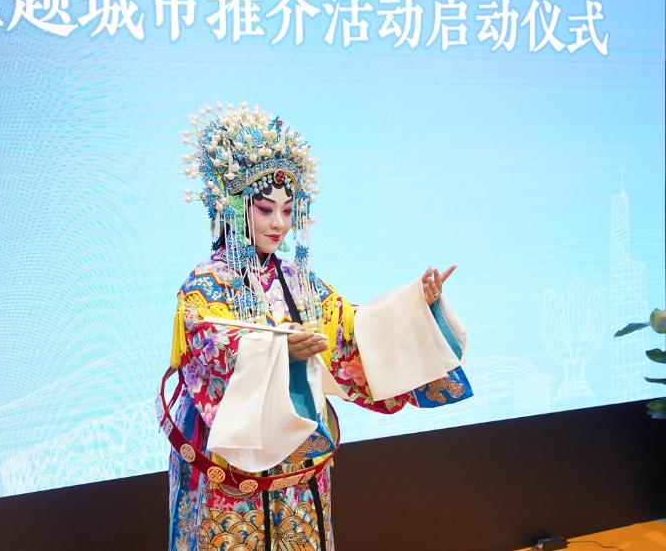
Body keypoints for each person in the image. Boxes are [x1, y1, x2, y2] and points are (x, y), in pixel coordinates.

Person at [162, 104, 473, 550]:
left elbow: (352, 331)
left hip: (299, 464)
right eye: (265, 209)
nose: (279, 223)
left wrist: (416, 308)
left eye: (288, 210)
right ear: (233, 206)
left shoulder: (300, 281)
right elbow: (210, 350)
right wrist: (276, 352)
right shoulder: (205, 284)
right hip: (231, 464)